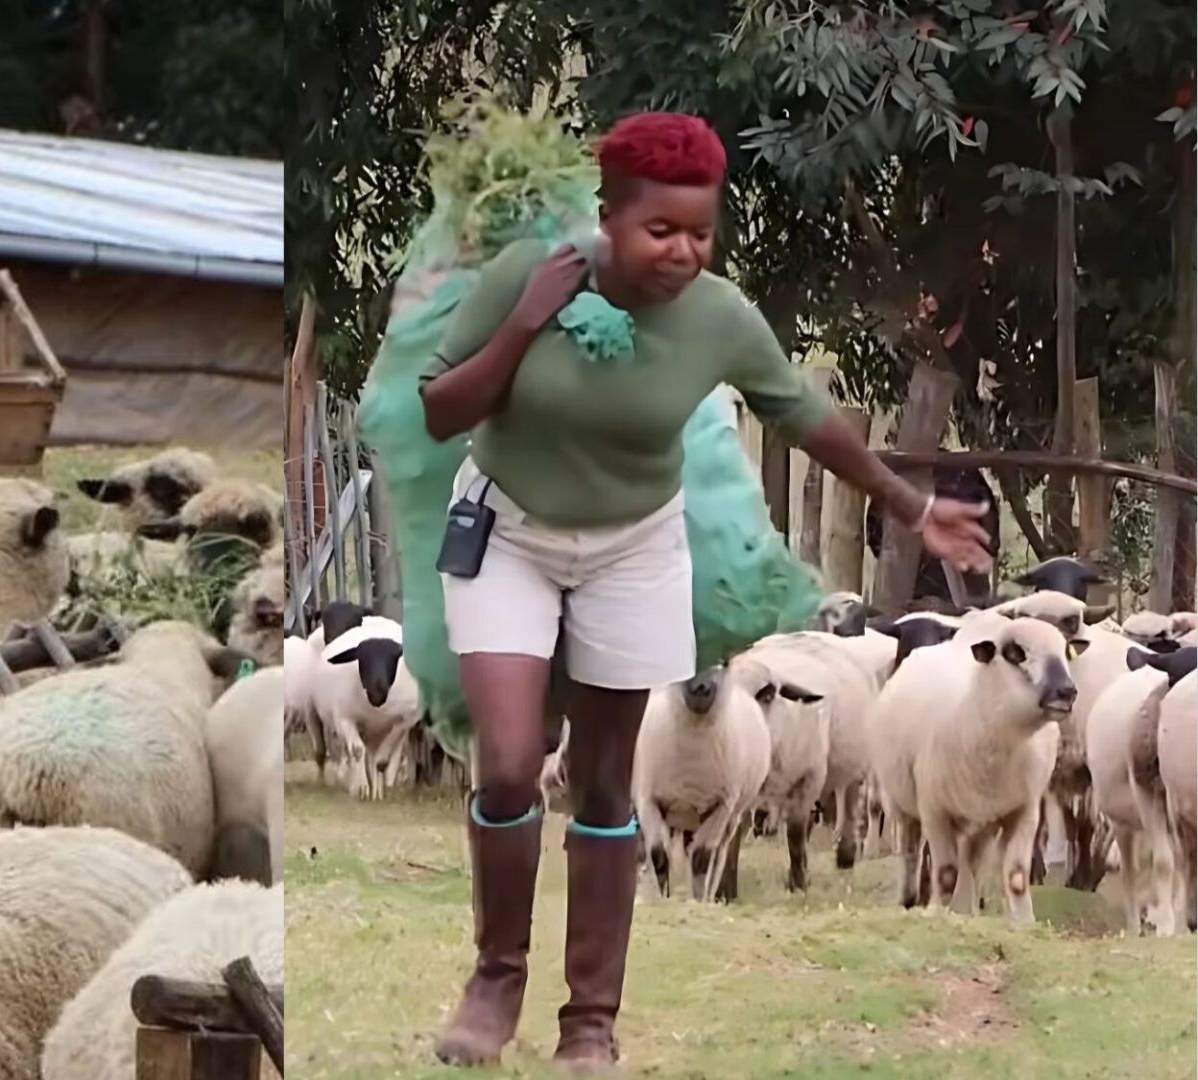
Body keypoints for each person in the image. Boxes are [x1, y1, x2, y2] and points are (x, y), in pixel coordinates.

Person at [416, 112, 990, 1072]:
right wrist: (524, 323)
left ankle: (589, 1021)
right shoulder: (528, 275)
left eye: (699, 231)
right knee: (513, 761)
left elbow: (801, 412)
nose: (683, 250)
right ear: (608, 215)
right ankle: (495, 980)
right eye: (659, 231)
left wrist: (905, 501)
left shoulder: (719, 314)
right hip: (508, 534)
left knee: (605, 778)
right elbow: (441, 408)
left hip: (633, 551)